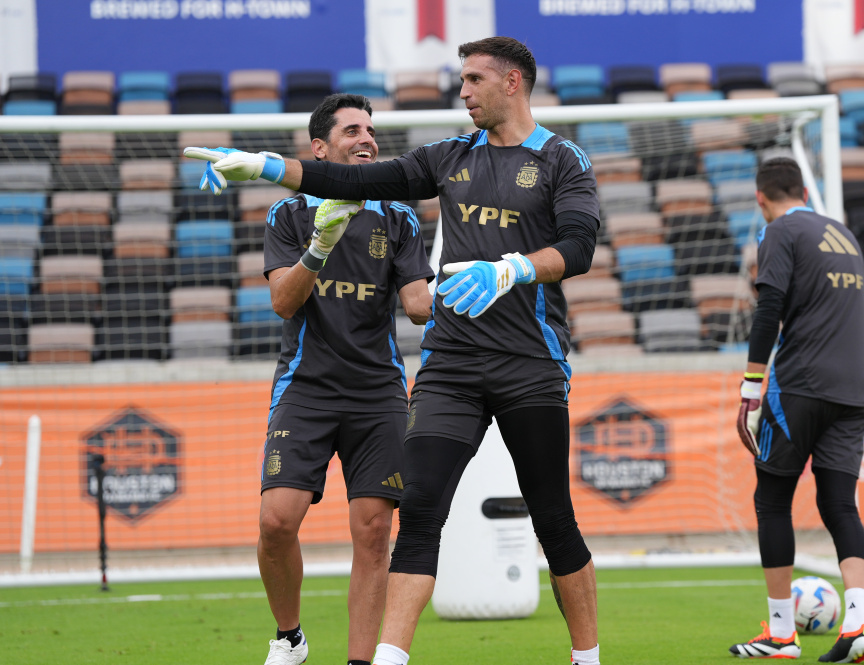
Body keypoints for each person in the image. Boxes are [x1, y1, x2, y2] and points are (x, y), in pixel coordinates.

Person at [185, 36, 602, 665]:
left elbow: (580, 246)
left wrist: (511, 269)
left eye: (473, 80)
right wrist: (270, 167)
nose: (462, 92)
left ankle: (586, 657)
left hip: (530, 364)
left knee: (552, 517)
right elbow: (352, 178)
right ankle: (385, 659)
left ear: (512, 82)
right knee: (420, 510)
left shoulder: (562, 160)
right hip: (450, 365)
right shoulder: (447, 156)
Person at [242, 94, 434, 665]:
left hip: (376, 392)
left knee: (374, 532)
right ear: (319, 149)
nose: (367, 139)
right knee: (276, 521)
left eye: (371, 130)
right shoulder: (290, 214)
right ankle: (290, 636)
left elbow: (418, 306)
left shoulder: (398, 215)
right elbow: (282, 301)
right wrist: (320, 247)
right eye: (352, 130)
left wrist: (487, 273)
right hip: (306, 386)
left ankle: (360, 661)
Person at [731, 157, 864, 662]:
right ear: (804, 191)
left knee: (772, 500)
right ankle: (858, 624)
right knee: (840, 503)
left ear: (761, 198)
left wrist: (752, 384)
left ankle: (780, 634)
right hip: (856, 389)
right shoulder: (843, 234)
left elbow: (768, 307)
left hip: (801, 387)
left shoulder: (779, 232)